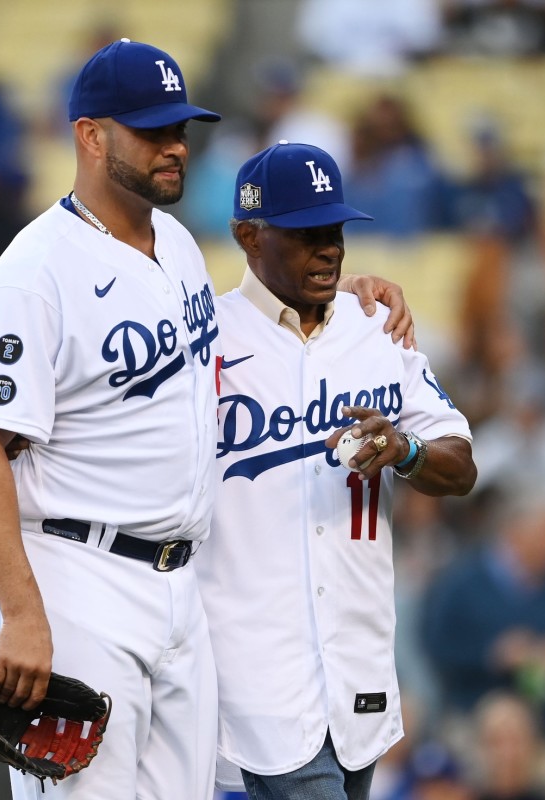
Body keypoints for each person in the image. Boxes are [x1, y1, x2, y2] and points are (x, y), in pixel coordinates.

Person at [0, 40, 412, 800]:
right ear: (91, 136)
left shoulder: (179, 245)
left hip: (179, 585)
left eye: (180, 128)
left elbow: (240, 333)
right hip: (78, 577)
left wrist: (330, 283)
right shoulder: (32, 278)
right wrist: (22, 613)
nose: (175, 146)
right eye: (151, 130)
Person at [198, 141, 476, 800]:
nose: (329, 250)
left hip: (359, 657)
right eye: (306, 234)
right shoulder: (204, 337)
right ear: (249, 236)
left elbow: (460, 465)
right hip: (256, 663)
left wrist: (406, 451)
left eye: (335, 232)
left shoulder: (375, 328)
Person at [422, 488, 545, 736]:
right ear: (515, 533)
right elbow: (437, 647)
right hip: (476, 723)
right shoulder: (461, 584)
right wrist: (492, 655)